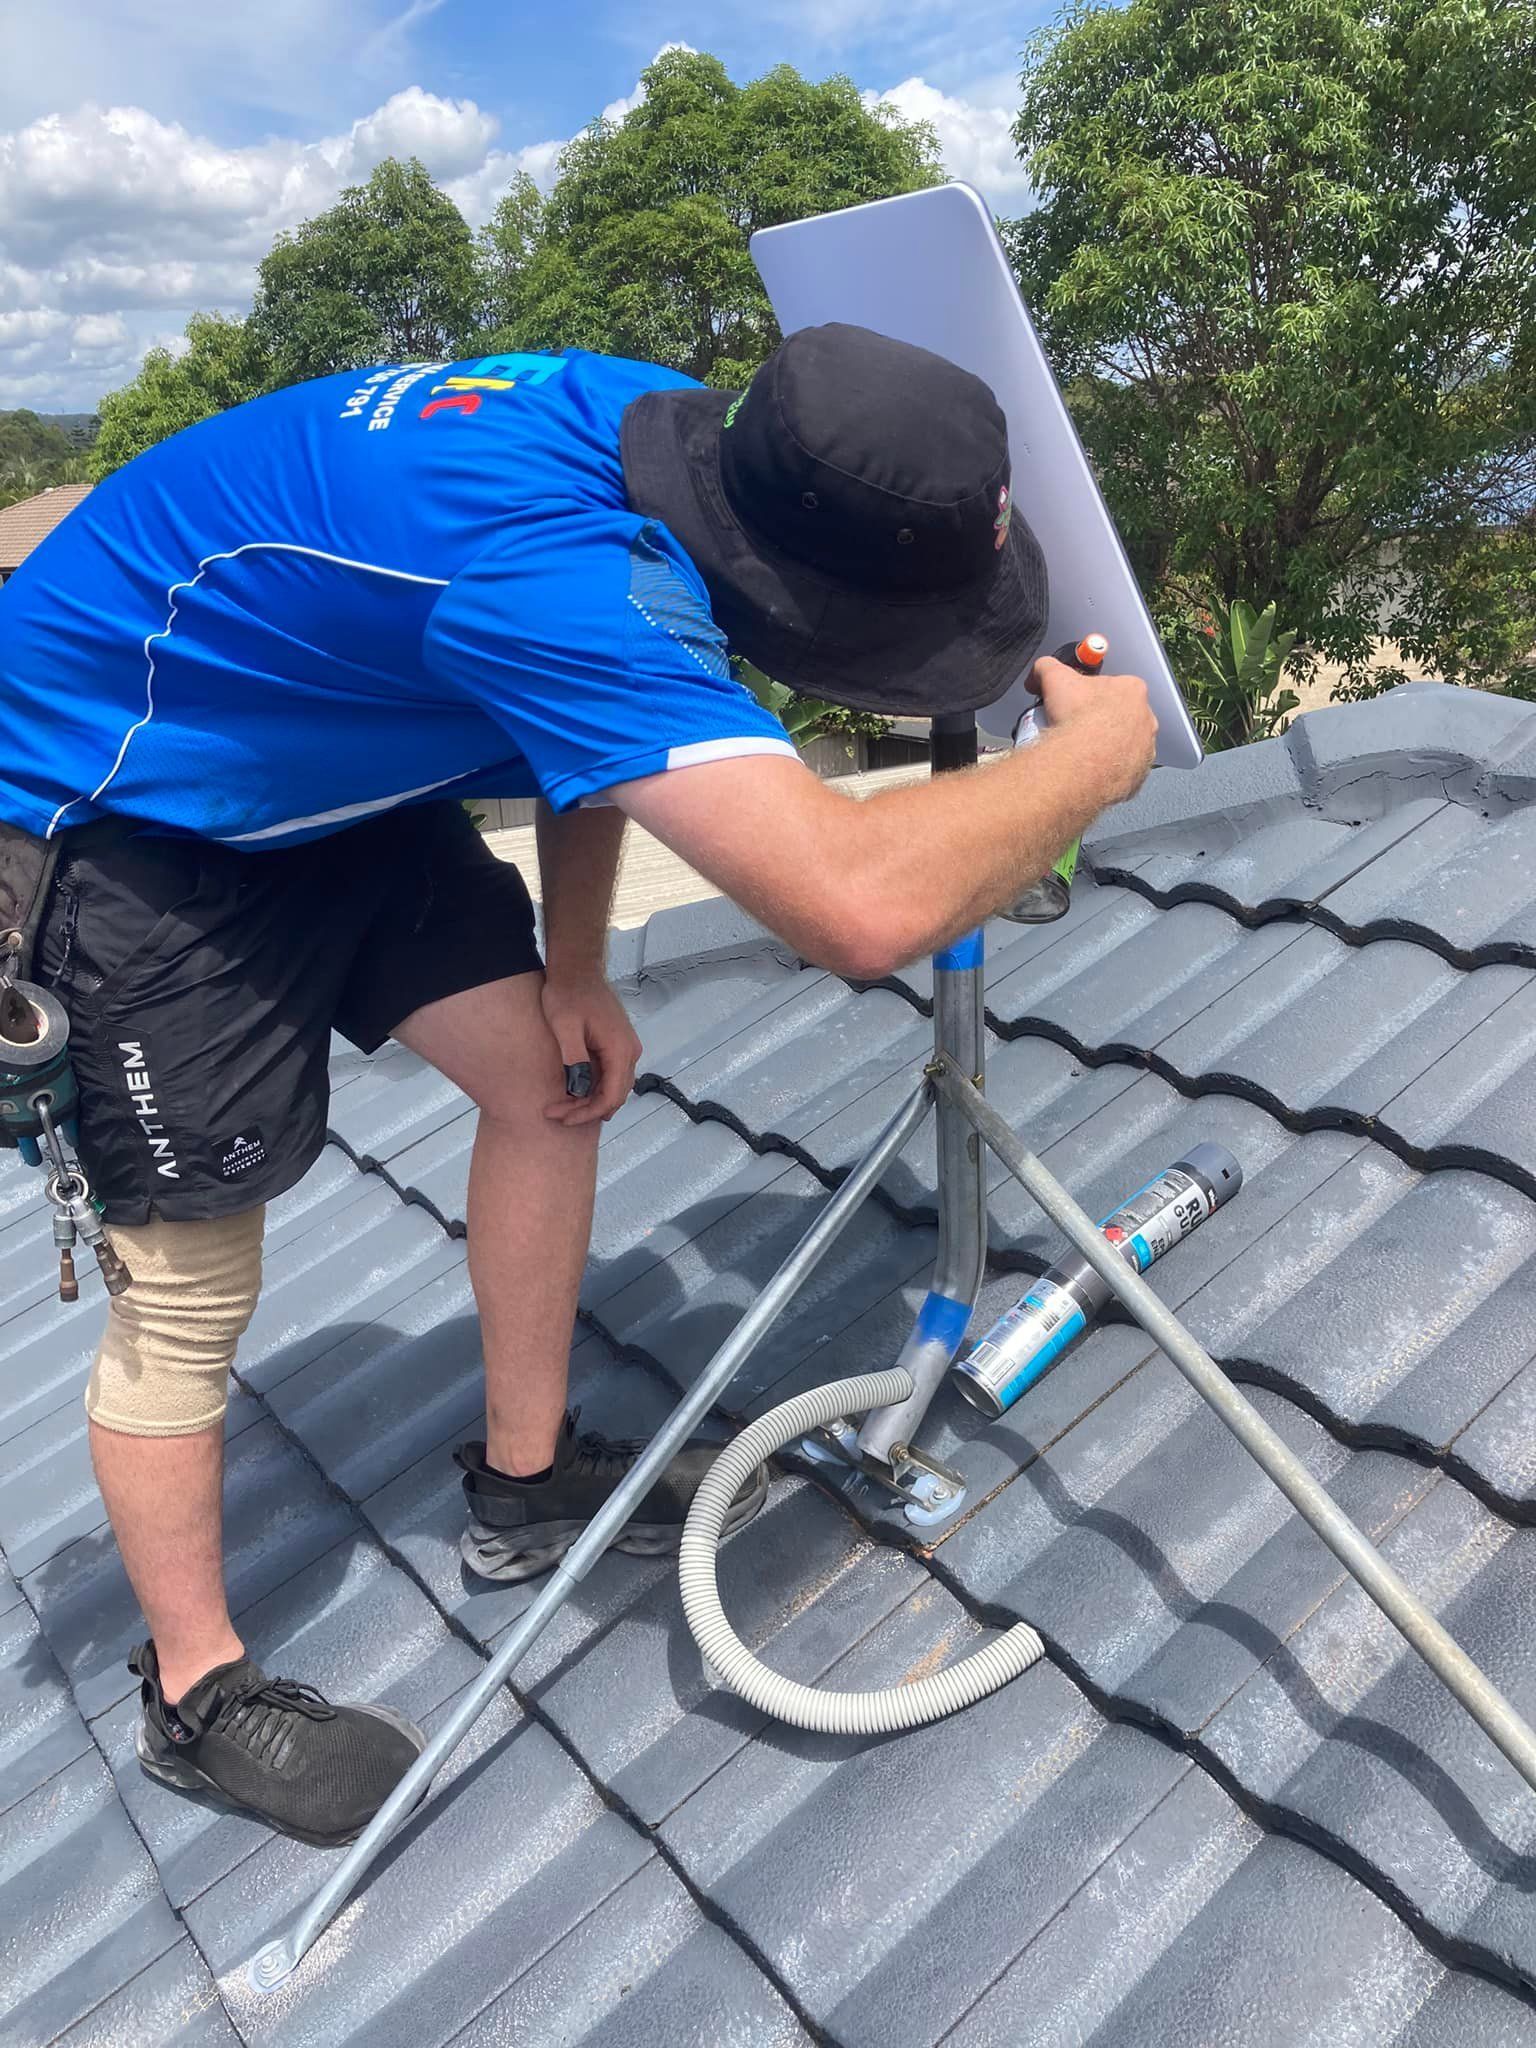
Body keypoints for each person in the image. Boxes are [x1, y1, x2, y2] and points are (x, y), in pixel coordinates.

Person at [0, 322, 1156, 1847]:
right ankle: (193, 1693)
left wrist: (577, 966)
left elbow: (594, 728)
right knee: (186, 1284)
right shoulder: (553, 576)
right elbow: (858, 910)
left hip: (323, 748)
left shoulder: (688, 434)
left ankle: (527, 1487)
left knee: (553, 1078)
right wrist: (1096, 760)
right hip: (112, 813)